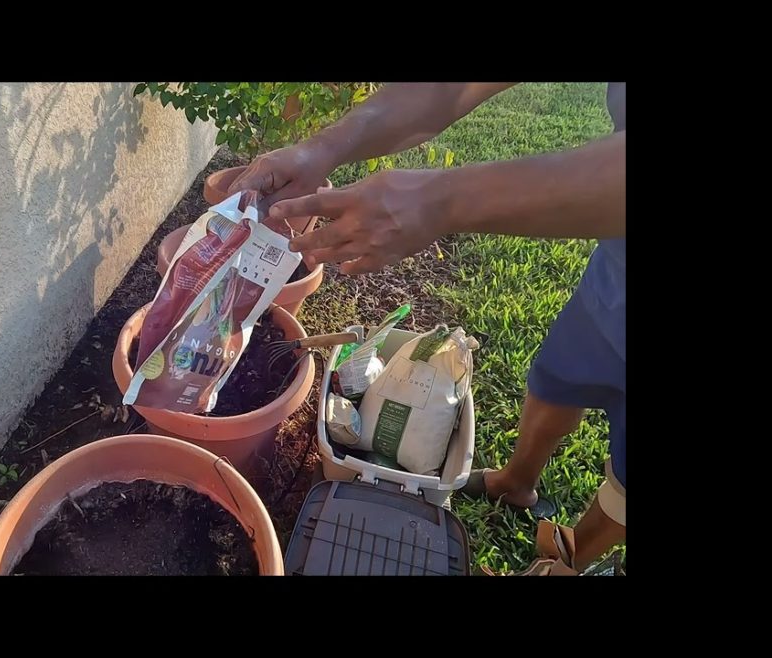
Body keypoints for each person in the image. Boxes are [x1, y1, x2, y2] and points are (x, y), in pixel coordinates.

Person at [229, 83, 625, 575]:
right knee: (561, 375)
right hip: (617, 269)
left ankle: (575, 556)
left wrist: (441, 200)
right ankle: (516, 482)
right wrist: (321, 149)